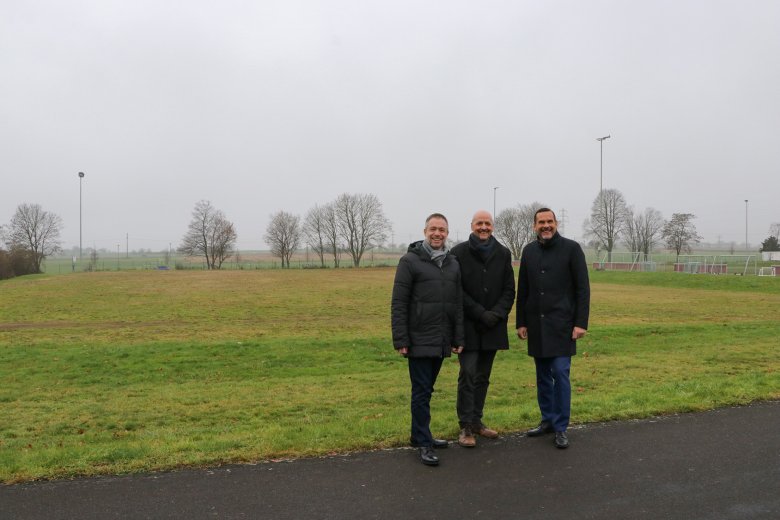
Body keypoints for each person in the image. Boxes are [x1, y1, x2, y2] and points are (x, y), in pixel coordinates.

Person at [391, 213, 464, 466]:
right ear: (424, 231)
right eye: (433, 229)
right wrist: (401, 338)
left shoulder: (453, 263)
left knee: (427, 389)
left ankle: (418, 434)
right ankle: (423, 442)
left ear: (447, 232)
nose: (437, 233)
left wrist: (458, 337)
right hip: (418, 338)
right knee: (421, 391)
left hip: (441, 338)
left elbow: (457, 304)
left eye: (442, 229)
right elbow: (399, 303)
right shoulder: (409, 261)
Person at [516, 208, 590, 449]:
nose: (545, 225)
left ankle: (560, 427)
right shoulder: (528, 251)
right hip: (537, 325)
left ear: (556, 223)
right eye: (541, 222)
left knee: (560, 372)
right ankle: (547, 419)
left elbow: (582, 289)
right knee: (542, 377)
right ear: (534, 226)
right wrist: (521, 322)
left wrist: (580, 322)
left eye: (549, 221)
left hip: (563, 325)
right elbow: (523, 289)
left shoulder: (572, 249)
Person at [450, 210, 515, 447]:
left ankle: (477, 421)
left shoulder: (503, 253)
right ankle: (465, 426)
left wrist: (496, 314)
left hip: (493, 327)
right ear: (472, 225)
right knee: (468, 374)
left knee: (483, 377)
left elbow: (509, 290)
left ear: (492, 227)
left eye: (487, 223)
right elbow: (455, 290)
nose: (483, 227)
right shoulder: (457, 253)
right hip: (468, 325)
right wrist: (480, 313)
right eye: (479, 223)